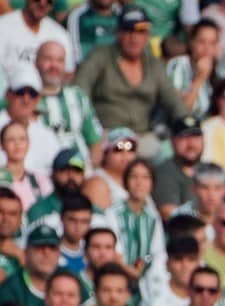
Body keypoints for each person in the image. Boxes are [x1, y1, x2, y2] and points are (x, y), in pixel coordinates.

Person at [72, 7, 187, 156]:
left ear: (147, 36)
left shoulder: (154, 64)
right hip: (107, 134)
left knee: (168, 153)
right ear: (118, 33)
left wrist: (187, 127)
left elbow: (174, 102)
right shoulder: (100, 56)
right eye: (128, 31)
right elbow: (79, 91)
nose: (134, 38)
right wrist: (91, 133)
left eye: (140, 32)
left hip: (143, 135)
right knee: (119, 155)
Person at [0, 64, 61, 175]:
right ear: (8, 94)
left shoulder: (47, 136)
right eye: (20, 92)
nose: (26, 100)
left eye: (32, 94)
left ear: (38, 98)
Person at [0, 0, 74, 79]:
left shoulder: (59, 34)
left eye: (49, 2)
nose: (42, 4)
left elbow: (68, 73)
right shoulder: (3, 26)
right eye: (37, 0)